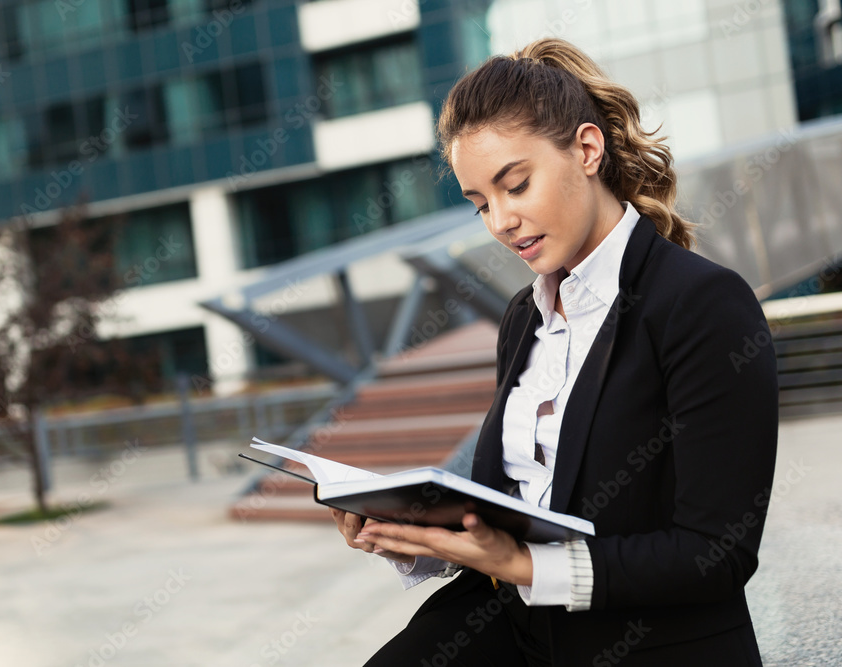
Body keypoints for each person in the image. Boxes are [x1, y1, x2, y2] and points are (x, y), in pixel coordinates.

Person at [330, 38, 779, 666]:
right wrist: (407, 531)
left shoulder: (702, 304)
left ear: (587, 149)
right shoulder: (524, 317)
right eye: (481, 203)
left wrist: (524, 564)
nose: (501, 221)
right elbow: (515, 505)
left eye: (516, 186)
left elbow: (716, 553)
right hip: (509, 627)